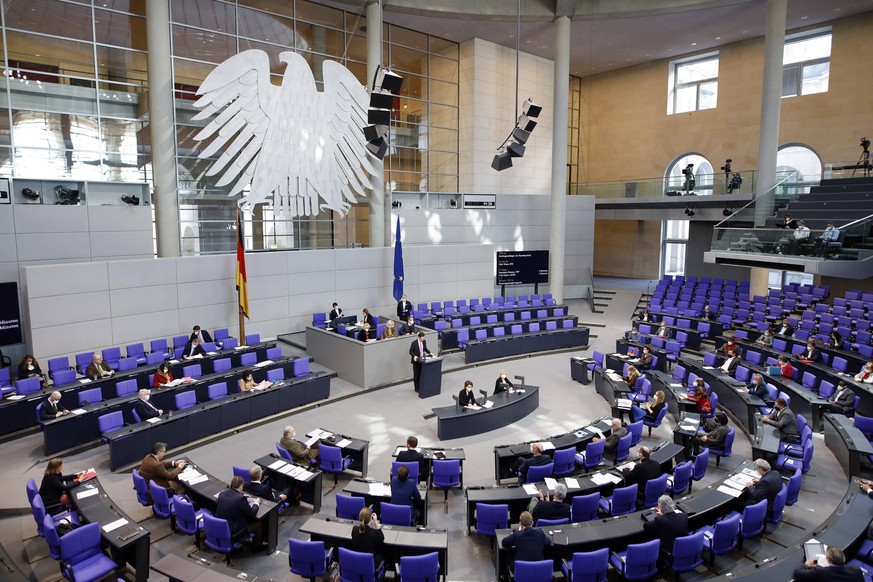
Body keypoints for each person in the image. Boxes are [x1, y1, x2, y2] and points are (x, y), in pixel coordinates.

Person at [216, 476, 265, 550]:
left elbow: (232, 498)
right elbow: (252, 513)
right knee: (258, 523)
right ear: (241, 486)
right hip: (234, 534)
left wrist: (241, 496)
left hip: (221, 529)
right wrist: (256, 503)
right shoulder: (240, 499)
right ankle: (257, 547)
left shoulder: (222, 494)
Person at [643, 496, 688, 563]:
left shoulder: (660, 520)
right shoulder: (683, 516)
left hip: (669, 550)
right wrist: (664, 514)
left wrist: (661, 516)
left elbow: (646, 526)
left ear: (661, 508)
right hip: (683, 547)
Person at [794, 546, 863, 582]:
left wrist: (806, 564)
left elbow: (797, 573)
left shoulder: (821, 572)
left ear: (829, 560)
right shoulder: (856, 569)